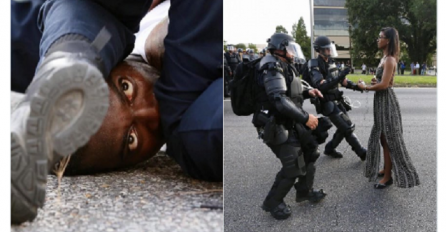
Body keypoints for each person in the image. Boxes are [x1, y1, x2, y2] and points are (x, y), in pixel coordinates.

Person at [11, 0, 223, 224]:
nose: (151, 112)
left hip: (99, 30)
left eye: (126, 88)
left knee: (93, 18)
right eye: (132, 139)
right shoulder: (187, 119)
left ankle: (71, 59)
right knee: (196, 142)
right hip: (189, 91)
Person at [250, 33, 327, 220]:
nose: (293, 52)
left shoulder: (283, 64)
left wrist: (309, 92)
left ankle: (304, 191)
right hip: (275, 124)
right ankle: (272, 202)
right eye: (290, 48)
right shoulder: (271, 66)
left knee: (310, 151)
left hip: (289, 120)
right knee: (293, 165)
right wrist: (305, 117)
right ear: (280, 49)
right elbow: (279, 99)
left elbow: (291, 91)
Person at [357, 27, 420, 189]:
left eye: (381, 37)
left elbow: (385, 85)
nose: (378, 39)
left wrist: (365, 87)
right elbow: (386, 81)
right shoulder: (384, 58)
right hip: (381, 102)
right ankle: (386, 168)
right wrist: (374, 81)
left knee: (389, 139)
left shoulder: (390, 59)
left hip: (387, 102)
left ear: (389, 40)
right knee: (382, 138)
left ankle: (388, 177)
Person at [303, 36, 367, 161]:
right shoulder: (314, 64)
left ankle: (330, 148)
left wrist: (358, 87)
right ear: (319, 50)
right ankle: (362, 153)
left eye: (330, 48)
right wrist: (339, 77)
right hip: (326, 102)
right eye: (327, 48)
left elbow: (342, 81)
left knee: (346, 126)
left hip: (336, 99)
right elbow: (321, 86)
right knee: (347, 128)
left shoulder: (330, 62)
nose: (329, 50)